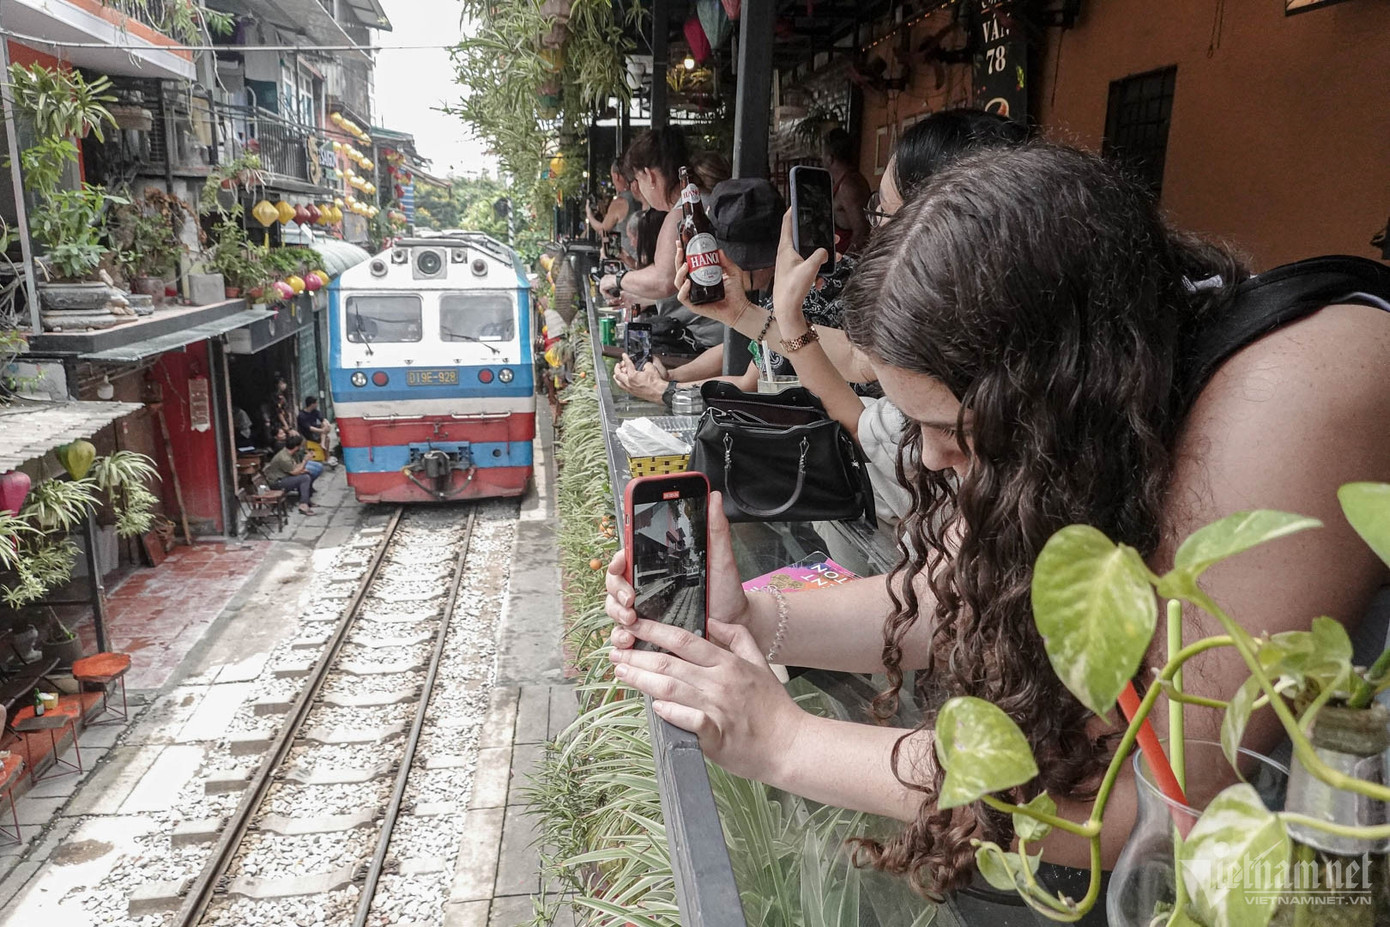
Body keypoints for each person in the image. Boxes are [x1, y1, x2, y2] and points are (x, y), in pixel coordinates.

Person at [603, 144, 1390, 902]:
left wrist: (785, 740)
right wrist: (752, 615)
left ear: (1051, 388)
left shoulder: (1293, 396)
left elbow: (1147, 802)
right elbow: (954, 589)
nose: (933, 457)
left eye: (952, 428)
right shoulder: (1099, 415)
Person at [613, 177, 785, 403]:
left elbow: (750, 384)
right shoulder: (766, 284)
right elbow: (746, 346)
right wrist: (670, 377)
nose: (725, 268)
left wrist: (664, 391)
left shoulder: (793, 292)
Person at [822, 127, 871, 255]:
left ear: (830, 158)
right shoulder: (844, 182)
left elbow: (862, 232)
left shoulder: (849, 187)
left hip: (847, 267)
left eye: (823, 153)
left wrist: (844, 266)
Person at [262, 432, 317, 516]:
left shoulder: (291, 454)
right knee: (305, 478)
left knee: (308, 474)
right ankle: (303, 505)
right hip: (277, 482)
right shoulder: (284, 458)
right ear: (296, 447)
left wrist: (303, 469)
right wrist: (305, 461)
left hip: (285, 476)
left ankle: (306, 499)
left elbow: (295, 466)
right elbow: (294, 472)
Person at [297, 396, 337, 467]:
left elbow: (322, 419)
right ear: (312, 404)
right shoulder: (302, 415)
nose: (317, 404)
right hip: (308, 433)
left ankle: (322, 443)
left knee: (325, 425)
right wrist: (322, 430)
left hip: (316, 431)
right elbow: (309, 428)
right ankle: (326, 455)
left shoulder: (315, 412)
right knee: (326, 438)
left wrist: (326, 423)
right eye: (316, 403)